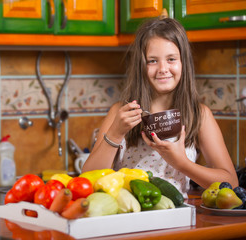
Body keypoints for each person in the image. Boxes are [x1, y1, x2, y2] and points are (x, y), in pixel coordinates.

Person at [82, 17, 238, 197]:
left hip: (178, 219)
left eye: (171, 59)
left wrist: (181, 163)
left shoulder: (199, 115)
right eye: (152, 61)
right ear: (141, 66)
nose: (163, 68)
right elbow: (87, 180)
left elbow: (231, 184)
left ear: (183, 63)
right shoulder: (120, 112)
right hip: (126, 216)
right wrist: (115, 134)